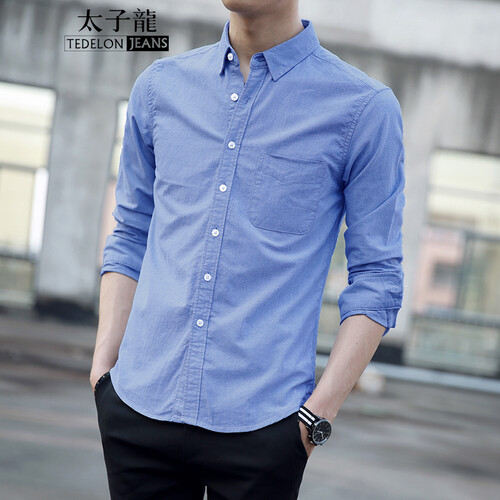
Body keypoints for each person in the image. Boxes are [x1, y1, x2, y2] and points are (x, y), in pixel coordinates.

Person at [90, 0, 405, 498]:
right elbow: (131, 232)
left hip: (265, 429)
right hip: (138, 407)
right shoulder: (159, 88)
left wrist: (315, 418)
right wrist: (104, 368)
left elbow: (378, 277)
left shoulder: (362, 109)